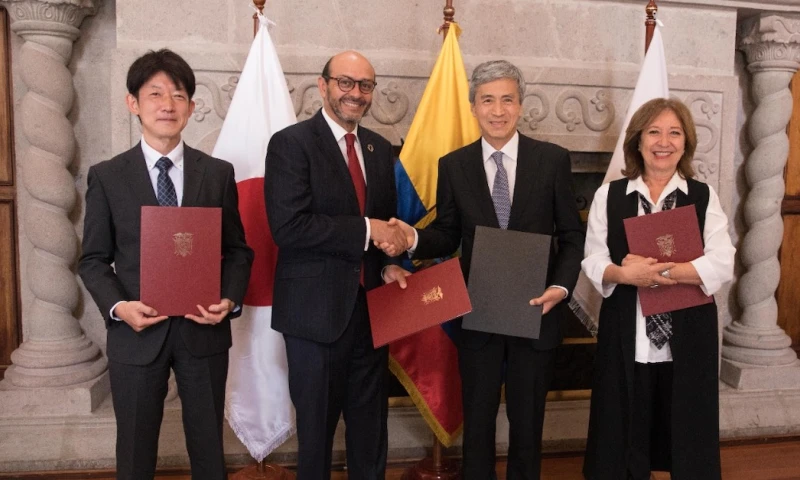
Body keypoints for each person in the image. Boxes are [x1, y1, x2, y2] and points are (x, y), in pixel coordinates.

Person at [384, 60, 584, 480]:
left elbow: (570, 235)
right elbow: (446, 233)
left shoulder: (551, 160)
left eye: (507, 100)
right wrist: (413, 239)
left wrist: (562, 288)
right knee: (478, 423)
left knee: (528, 425)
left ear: (520, 105)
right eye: (487, 100)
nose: (498, 110)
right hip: (481, 313)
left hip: (538, 310)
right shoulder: (454, 165)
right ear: (473, 106)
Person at [79, 49, 254, 480]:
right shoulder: (107, 176)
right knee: (135, 453)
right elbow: (93, 261)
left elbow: (238, 251)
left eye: (178, 95)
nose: (167, 104)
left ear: (192, 108)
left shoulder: (216, 173)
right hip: (137, 335)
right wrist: (120, 308)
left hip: (203, 330)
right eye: (155, 93)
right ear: (132, 103)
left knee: (209, 451)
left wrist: (228, 299)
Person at [264, 50, 409, 480]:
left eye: (365, 85)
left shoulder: (380, 149)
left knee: (371, 434)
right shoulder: (290, 144)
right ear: (323, 84)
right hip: (314, 318)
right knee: (316, 438)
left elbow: (383, 228)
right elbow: (289, 227)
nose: (356, 94)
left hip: (372, 314)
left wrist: (388, 265)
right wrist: (367, 230)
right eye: (345, 82)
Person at [581, 97, 735, 480]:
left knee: (686, 422)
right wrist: (624, 274)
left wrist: (664, 273)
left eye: (674, 133)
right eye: (654, 131)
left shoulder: (702, 196)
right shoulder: (610, 196)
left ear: (685, 143)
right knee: (624, 420)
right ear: (637, 141)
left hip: (688, 330)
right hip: (627, 326)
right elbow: (593, 260)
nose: (663, 141)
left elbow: (722, 261)